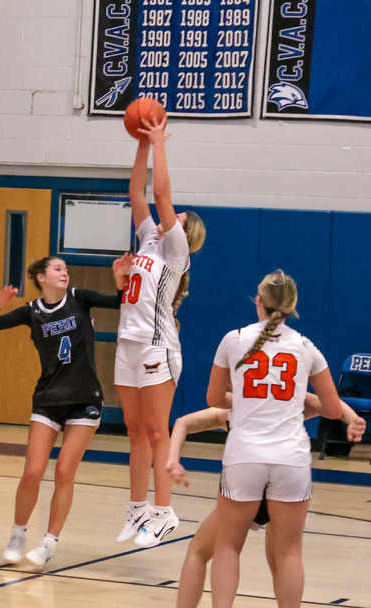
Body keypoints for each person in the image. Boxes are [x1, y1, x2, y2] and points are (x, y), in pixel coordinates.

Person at [143, 391, 365, 608]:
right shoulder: (291, 405)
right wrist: (353, 419)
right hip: (288, 480)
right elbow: (330, 403)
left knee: (200, 550)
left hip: (248, 481)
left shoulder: (236, 409)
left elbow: (183, 422)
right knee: (284, 559)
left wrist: (172, 459)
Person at [194, 269, 341, 608]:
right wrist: (294, 405)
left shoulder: (234, 339)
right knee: (290, 551)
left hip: (244, 455)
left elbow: (211, 398)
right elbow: (331, 408)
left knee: (227, 545)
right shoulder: (306, 347)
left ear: (257, 301)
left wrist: (246, 400)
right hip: (291, 458)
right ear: (293, 306)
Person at [0, 255, 129, 569]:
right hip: (48, 399)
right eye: (58, 269)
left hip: (85, 399)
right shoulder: (32, 312)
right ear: (41, 277)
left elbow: (120, 302)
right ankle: (17, 535)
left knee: (63, 472)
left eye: (66, 269)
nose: (65, 272)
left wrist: (119, 277)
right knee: (32, 472)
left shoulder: (79, 298)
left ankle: (49, 542)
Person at [114, 116, 207, 548]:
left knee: (156, 430)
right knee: (134, 430)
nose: (173, 210)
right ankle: (137, 510)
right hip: (128, 342)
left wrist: (160, 143)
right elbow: (136, 192)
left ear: (184, 230)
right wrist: (140, 145)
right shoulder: (149, 237)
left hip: (158, 346)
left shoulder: (175, 247)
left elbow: (161, 192)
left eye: (179, 214)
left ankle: (165, 512)